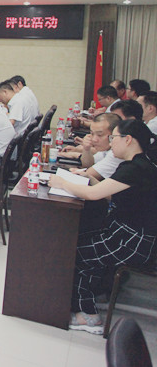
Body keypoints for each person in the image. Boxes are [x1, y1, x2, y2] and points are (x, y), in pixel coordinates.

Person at [48, 120, 157, 335]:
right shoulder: (138, 164)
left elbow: (93, 195)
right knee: (82, 241)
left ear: (128, 139)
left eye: (113, 138)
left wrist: (62, 183)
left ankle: (88, 315)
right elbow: (109, 193)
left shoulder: (135, 169)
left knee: (76, 252)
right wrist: (88, 177)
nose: (110, 142)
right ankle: (90, 293)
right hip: (129, 233)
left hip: (132, 239)